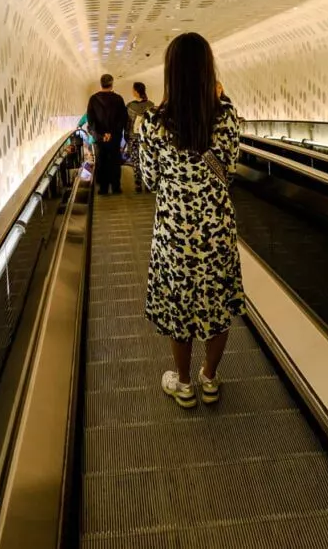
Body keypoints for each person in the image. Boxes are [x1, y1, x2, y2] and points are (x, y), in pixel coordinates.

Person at [139, 33, 245, 408]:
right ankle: (210, 378)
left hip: (174, 233)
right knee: (216, 306)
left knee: (179, 306)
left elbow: (149, 179)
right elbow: (229, 170)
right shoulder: (227, 116)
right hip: (216, 228)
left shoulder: (154, 122)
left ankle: (184, 385)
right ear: (207, 70)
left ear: (171, 73)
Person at [87, 74, 127, 196]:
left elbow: (91, 120)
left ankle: (103, 188)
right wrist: (113, 133)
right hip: (114, 138)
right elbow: (123, 119)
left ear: (101, 83)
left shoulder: (93, 99)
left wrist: (100, 135)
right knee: (115, 161)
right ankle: (116, 187)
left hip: (100, 139)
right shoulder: (118, 99)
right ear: (112, 83)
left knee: (101, 161)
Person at [125, 82, 155, 193]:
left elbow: (127, 123)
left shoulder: (129, 106)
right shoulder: (151, 105)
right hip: (147, 137)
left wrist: (126, 136)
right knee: (147, 159)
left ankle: (138, 184)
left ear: (136, 91)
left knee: (136, 160)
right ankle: (148, 183)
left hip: (133, 137)